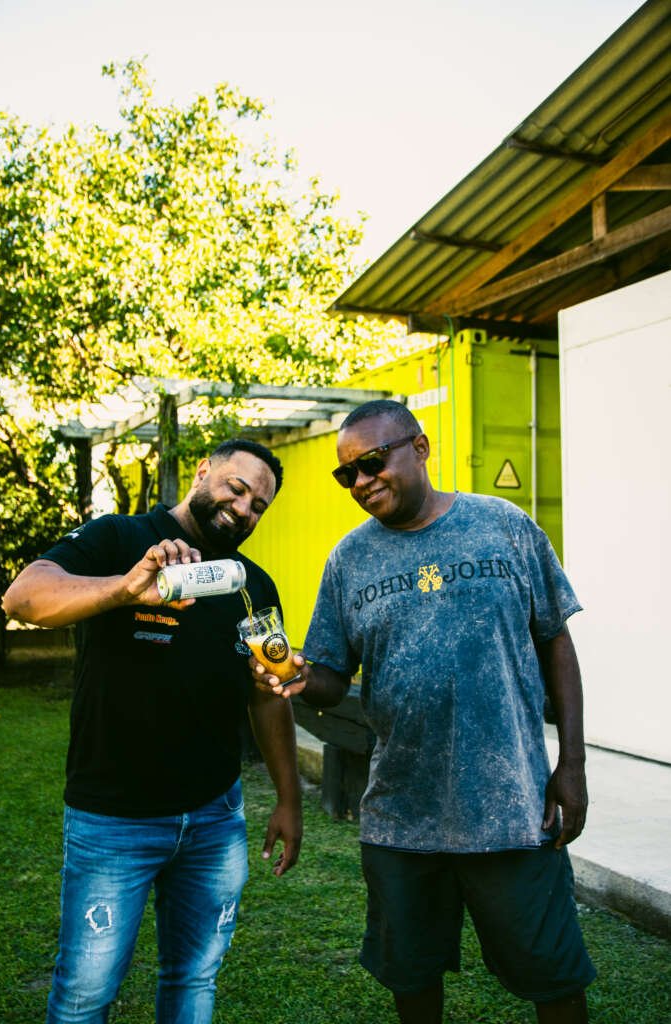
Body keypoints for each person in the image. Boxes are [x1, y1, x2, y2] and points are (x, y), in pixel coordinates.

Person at [252, 400, 595, 1024]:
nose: (361, 482)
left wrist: (571, 765)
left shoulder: (505, 525)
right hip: (401, 819)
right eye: (347, 474)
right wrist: (302, 676)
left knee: (554, 978)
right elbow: (332, 677)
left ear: (420, 448)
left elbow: (556, 641)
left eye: (372, 462)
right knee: (411, 980)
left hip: (512, 810)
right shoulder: (349, 559)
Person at [2, 438, 302, 1024]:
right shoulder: (119, 538)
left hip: (214, 819)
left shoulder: (252, 584)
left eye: (258, 506)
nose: (243, 510)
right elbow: (23, 597)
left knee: (193, 980)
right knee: (85, 996)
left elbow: (266, 697)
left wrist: (289, 800)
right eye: (237, 489)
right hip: (113, 819)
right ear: (202, 471)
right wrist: (123, 588)